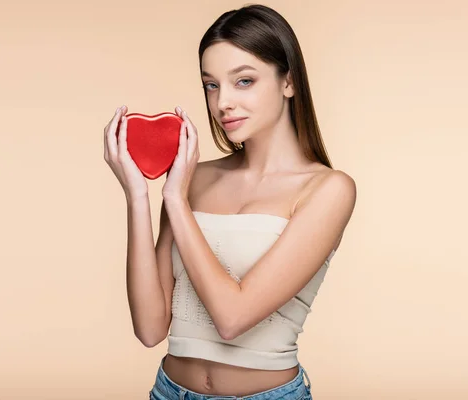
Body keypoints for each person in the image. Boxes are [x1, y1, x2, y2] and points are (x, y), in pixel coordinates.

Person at [103, 4, 356, 399]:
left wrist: (176, 200)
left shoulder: (328, 190)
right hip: (169, 391)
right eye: (211, 85)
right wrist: (138, 196)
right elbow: (150, 328)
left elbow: (232, 318)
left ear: (288, 81)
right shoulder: (194, 177)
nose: (222, 103)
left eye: (243, 81)